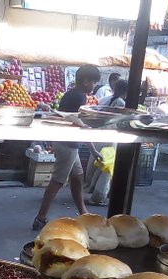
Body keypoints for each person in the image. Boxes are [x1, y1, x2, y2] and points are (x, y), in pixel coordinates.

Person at [32, 64, 103, 230]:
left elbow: (71, 121)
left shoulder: (73, 94)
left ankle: (83, 213)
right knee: (57, 181)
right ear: (85, 81)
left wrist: (92, 149)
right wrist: (92, 148)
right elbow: (79, 125)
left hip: (68, 142)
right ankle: (40, 218)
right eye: (93, 81)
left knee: (77, 177)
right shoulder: (80, 97)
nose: (94, 85)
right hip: (67, 144)